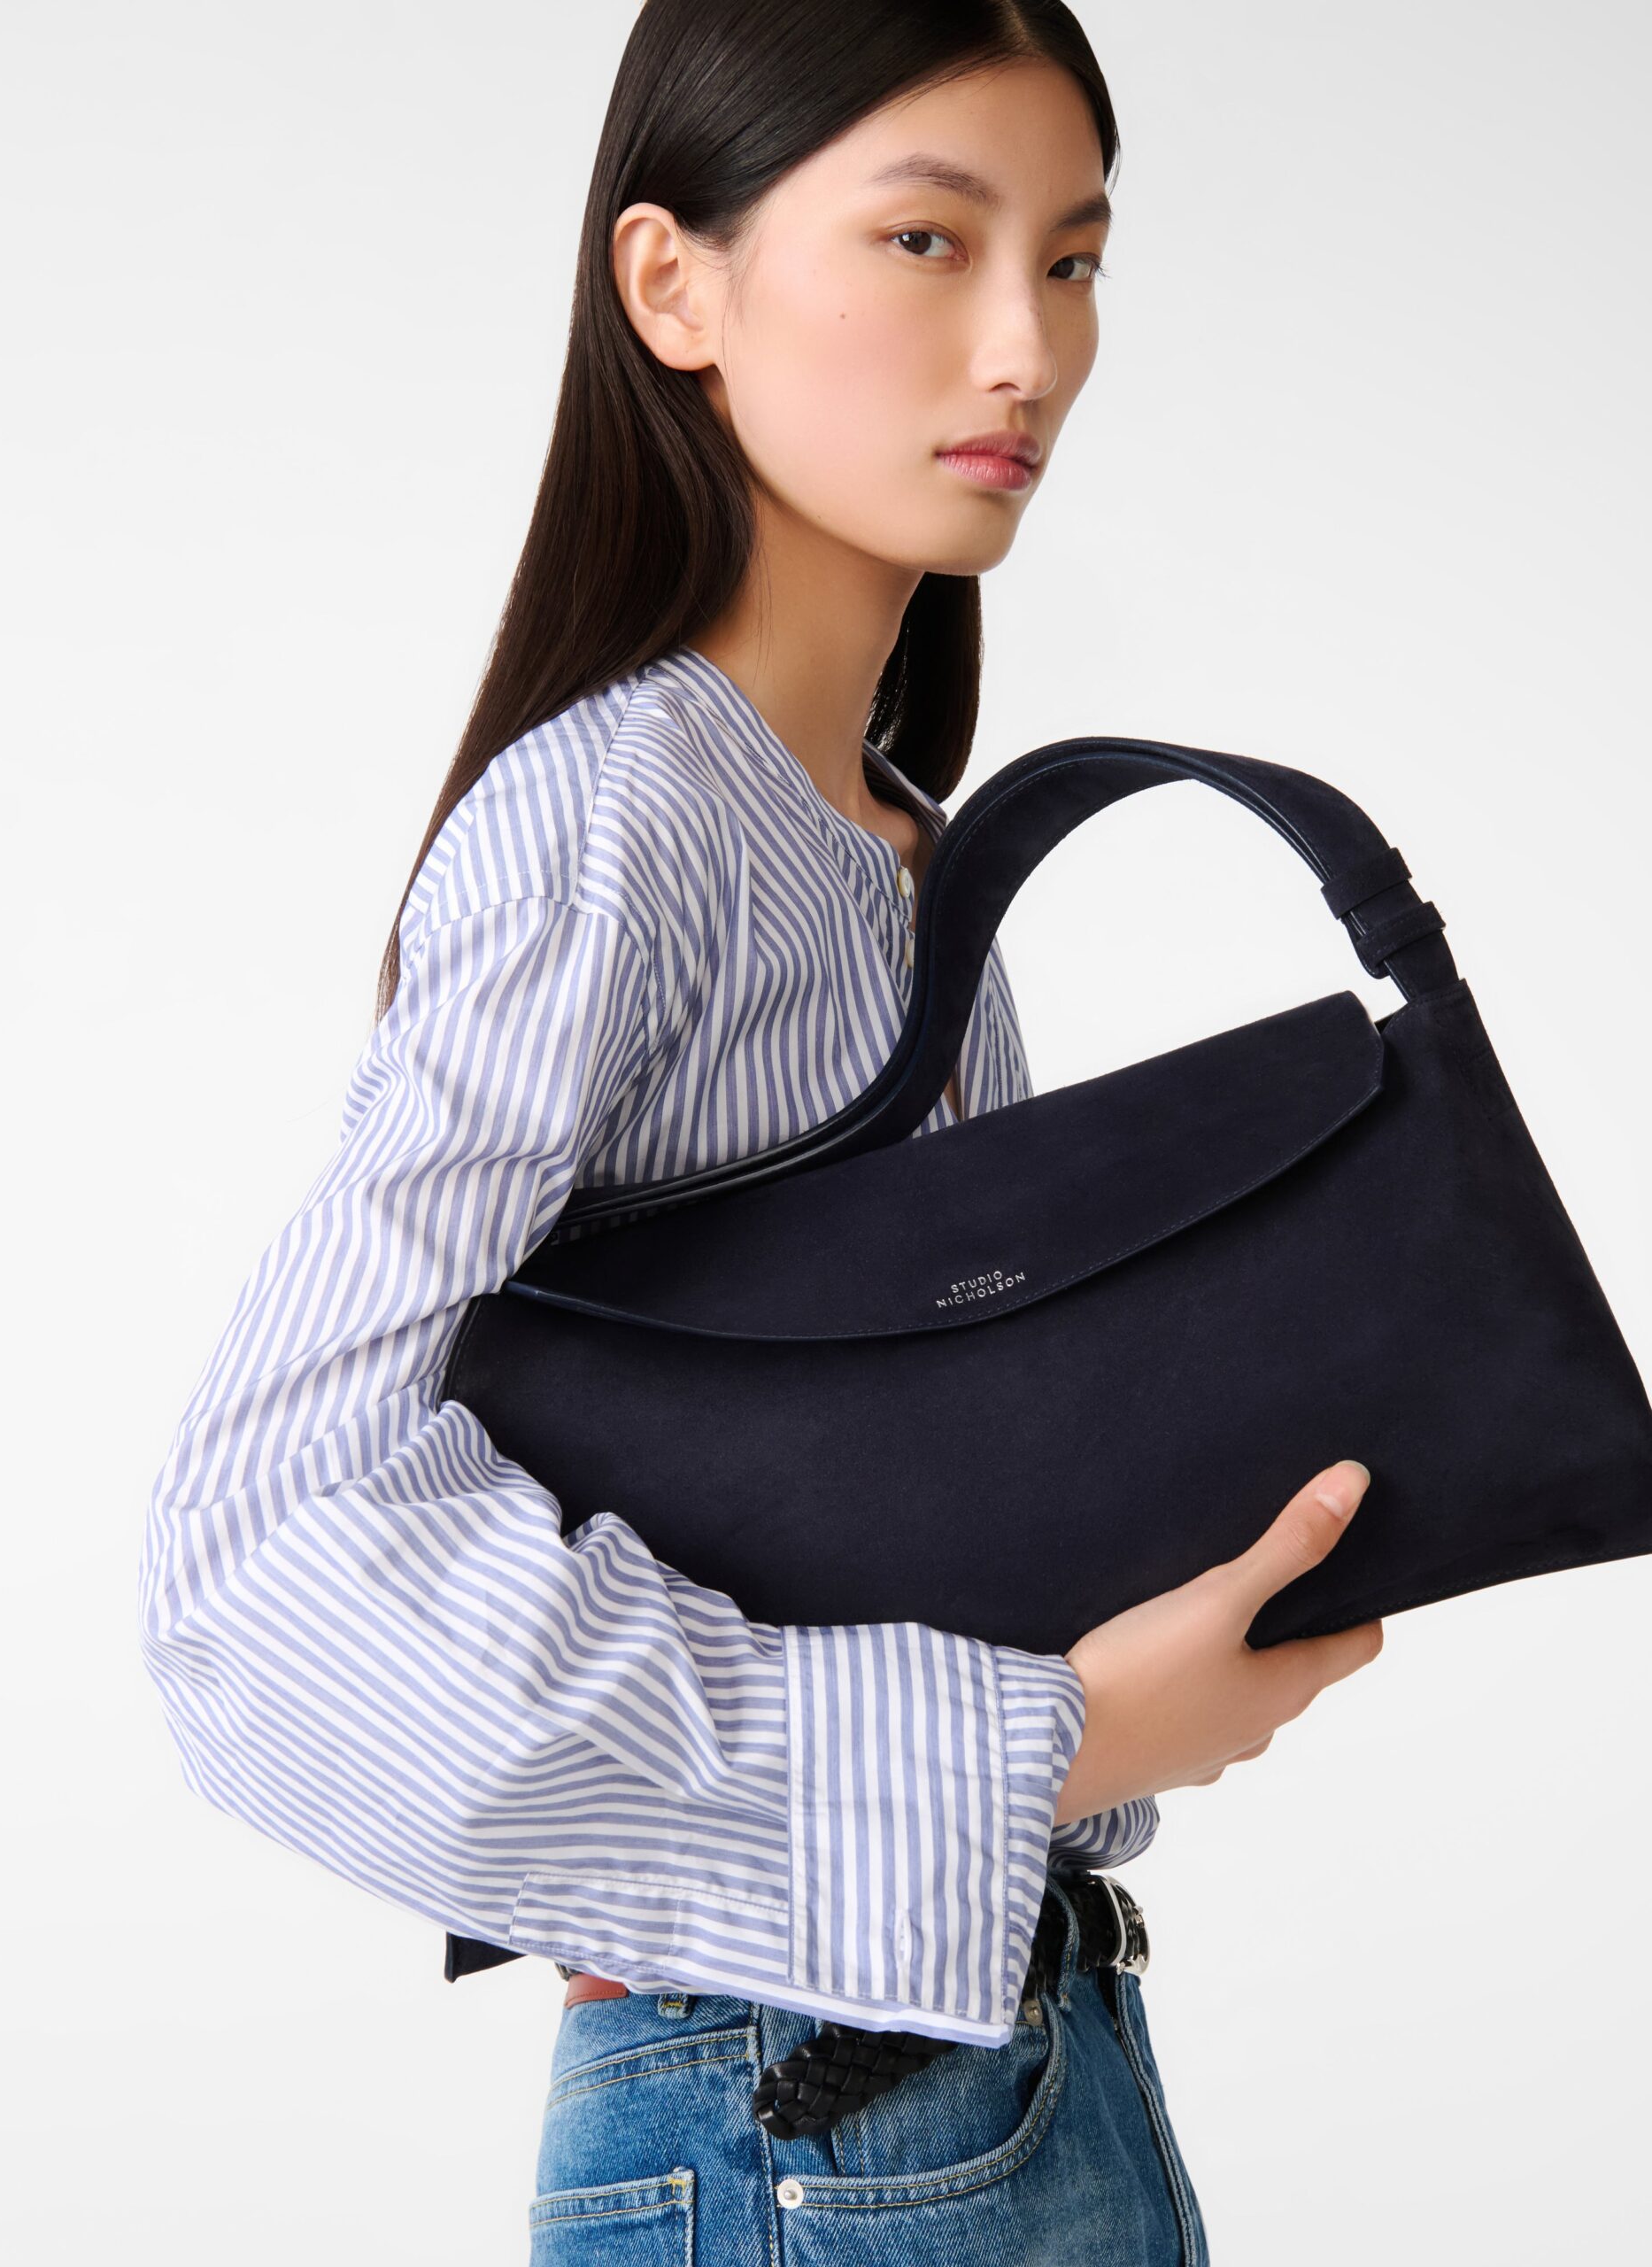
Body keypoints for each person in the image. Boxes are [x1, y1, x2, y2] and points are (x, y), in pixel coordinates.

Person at [137, 4, 1383, 2259]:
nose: (1025, 348)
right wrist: (1051, 1739)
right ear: (672, 284)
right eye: (927, 239)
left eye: (1075, 259)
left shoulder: (893, 845)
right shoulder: (622, 819)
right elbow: (268, 1554)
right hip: (804, 2104)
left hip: (997, 2064)